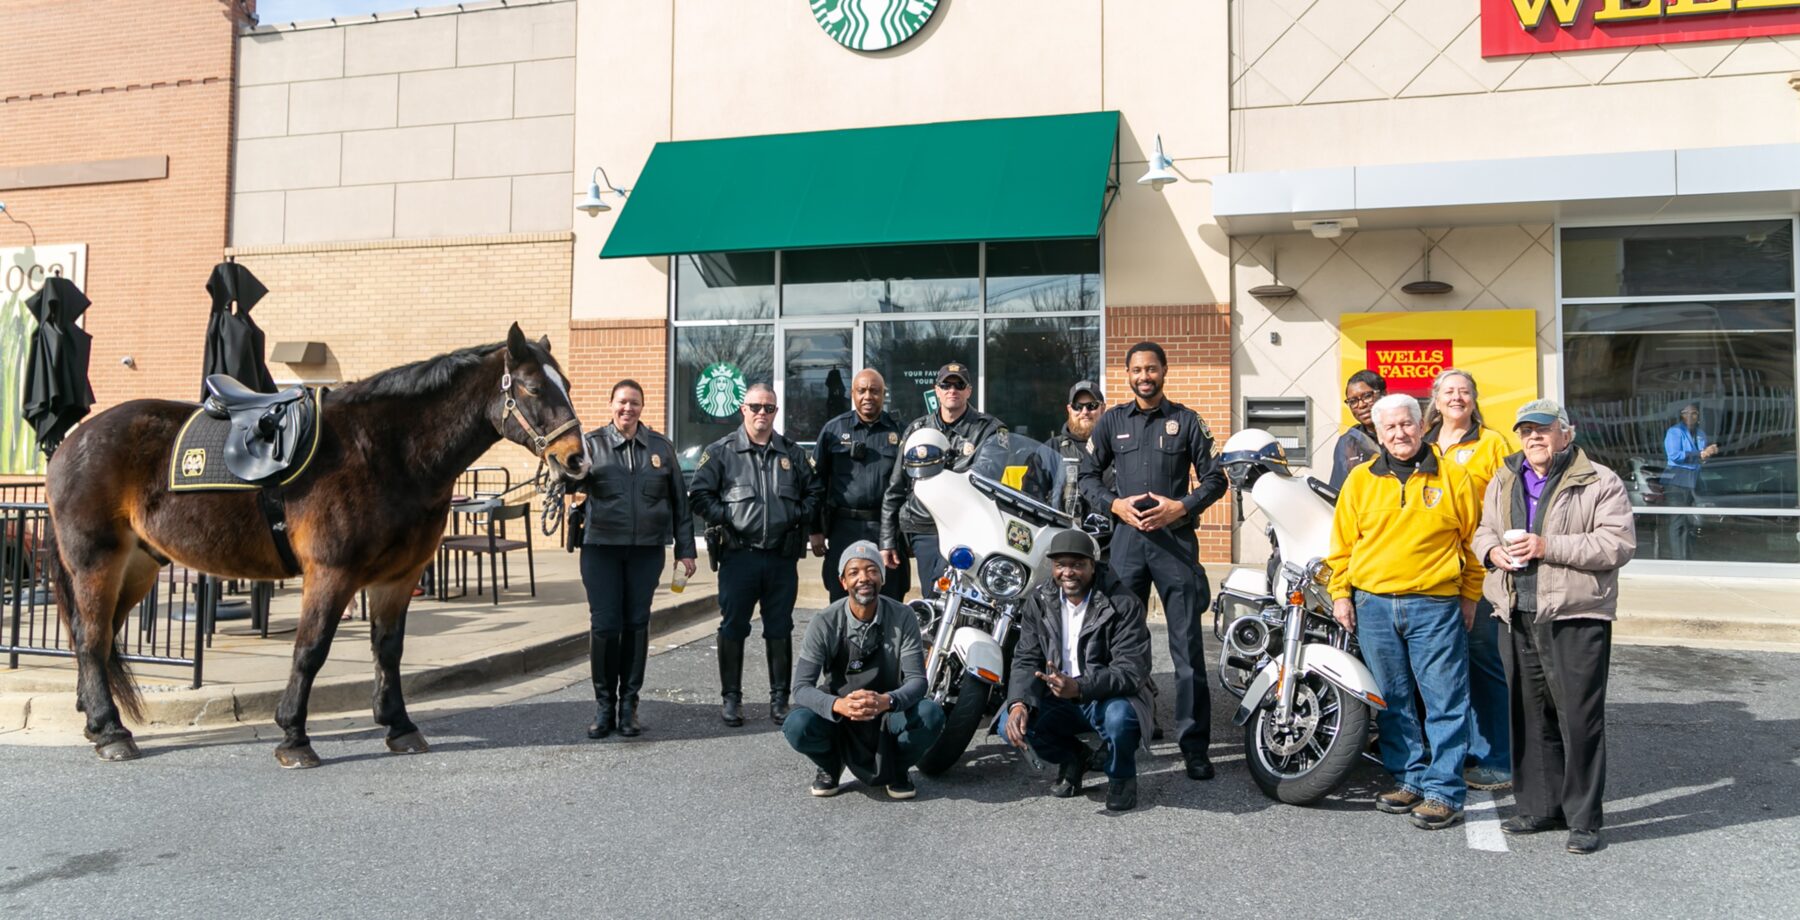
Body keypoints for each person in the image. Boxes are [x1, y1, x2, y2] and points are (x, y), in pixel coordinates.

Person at [1472, 399, 1635, 855]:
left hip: (1574, 615)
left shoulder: (1599, 480)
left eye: (1543, 430)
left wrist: (1547, 546)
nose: (1533, 438)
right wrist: (1491, 554)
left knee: (1579, 720)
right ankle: (1539, 807)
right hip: (1515, 612)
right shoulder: (1505, 478)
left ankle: (1583, 820)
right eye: (1526, 431)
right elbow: (1483, 531)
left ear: (1567, 433)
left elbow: (1616, 544)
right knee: (1528, 716)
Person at [1326, 393, 1484, 831]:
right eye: (1389, 427)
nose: (1399, 433)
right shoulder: (1359, 480)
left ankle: (1443, 791)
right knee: (1394, 701)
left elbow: (1473, 546)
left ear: (1421, 425)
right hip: (1373, 605)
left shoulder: (1455, 478)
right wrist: (1341, 594)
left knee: (1444, 700)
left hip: (1434, 604)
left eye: (1406, 424)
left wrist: (1469, 597)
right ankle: (1410, 778)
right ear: (1377, 434)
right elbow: (1341, 547)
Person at [1079, 341, 1228, 781]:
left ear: (1164, 371)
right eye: (1137, 370)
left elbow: (1217, 477)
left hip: (1175, 545)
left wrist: (1181, 507)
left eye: (1152, 369)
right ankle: (1119, 734)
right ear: (1127, 375)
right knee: (1115, 644)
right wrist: (1114, 505)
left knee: (1186, 650)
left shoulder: (1187, 421)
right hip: (1126, 544)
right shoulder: (1110, 422)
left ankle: (1194, 747)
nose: (1145, 376)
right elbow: (1086, 475)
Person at [688, 382, 823, 727]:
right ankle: (731, 700)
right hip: (739, 556)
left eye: (769, 408)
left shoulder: (792, 454)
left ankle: (780, 700)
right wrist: (727, 517)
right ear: (742, 409)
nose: (762, 413)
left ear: (776, 412)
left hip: (780, 557)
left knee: (780, 627)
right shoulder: (721, 451)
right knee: (733, 627)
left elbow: (815, 493)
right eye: (756, 407)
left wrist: (796, 516)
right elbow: (700, 495)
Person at [576, 380, 697, 739]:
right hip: (601, 549)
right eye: (621, 402)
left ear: (642, 407)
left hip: (646, 551)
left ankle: (629, 705)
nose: (627, 409)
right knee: (605, 626)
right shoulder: (591, 445)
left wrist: (686, 548)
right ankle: (603, 706)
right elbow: (567, 483)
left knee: (635, 625)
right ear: (611, 405)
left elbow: (679, 501)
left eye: (634, 403)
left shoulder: (660, 447)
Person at [999, 530, 1153, 812]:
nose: (1068, 572)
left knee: (1121, 720)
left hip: (1106, 696)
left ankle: (1121, 776)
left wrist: (1080, 687)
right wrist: (1019, 703)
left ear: (1093, 565)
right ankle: (1073, 757)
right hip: (1058, 697)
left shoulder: (1124, 603)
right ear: (1052, 567)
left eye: (1077, 564)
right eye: (1060, 565)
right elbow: (1026, 657)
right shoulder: (1039, 600)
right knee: (1009, 723)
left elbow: (1132, 670)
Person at [783, 541, 945, 800]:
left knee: (931, 715)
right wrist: (838, 705)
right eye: (854, 572)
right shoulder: (824, 621)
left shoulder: (903, 616)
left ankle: (899, 769)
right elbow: (801, 688)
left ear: (882, 576)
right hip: (840, 710)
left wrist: (887, 701)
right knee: (797, 725)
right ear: (843, 582)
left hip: (887, 709)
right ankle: (829, 765)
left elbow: (917, 681)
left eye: (871, 570)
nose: (863, 578)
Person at [1422, 368, 1515, 792]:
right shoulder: (1422, 442)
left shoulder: (1491, 443)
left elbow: (1509, 499)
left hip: (1477, 566)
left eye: (1464, 392)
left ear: (1475, 400)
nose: (1457, 398)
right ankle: (1447, 751)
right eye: (1449, 392)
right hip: (1428, 569)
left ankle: (1496, 757)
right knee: (1439, 668)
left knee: (1483, 663)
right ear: (1436, 400)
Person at [881, 362, 1006, 597]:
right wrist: (887, 540)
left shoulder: (990, 429)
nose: (952, 390)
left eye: (959, 385)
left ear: (969, 391)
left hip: (968, 527)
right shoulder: (917, 430)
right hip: (925, 527)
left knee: (970, 597)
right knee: (934, 595)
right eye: (945, 385)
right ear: (936, 390)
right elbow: (896, 487)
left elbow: (985, 480)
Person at [810, 369, 909, 603]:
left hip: (886, 529)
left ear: (884, 394)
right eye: (862, 390)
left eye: (874, 391)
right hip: (844, 527)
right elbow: (816, 483)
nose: (868, 396)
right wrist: (814, 530)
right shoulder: (833, 430)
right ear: (853, 393)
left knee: (890, 596)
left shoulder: (900, 431)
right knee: (842, 596)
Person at [1660, 403, 1716, 561]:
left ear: (1699, 416)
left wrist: (1707, 454)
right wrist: (1700, 453)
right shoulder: (1675, 431)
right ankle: (1677, 559)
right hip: (1677, 479)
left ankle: (1687, 558)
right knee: (1677, 521)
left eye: (1694, 413)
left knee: (1689, 522)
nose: (1690, 416)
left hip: (1694, 479)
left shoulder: (1701, 433)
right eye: (1686, 413)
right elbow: (1675, 455)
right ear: (1680, 415)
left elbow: (1701, 457)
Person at [1329, 370, 1386, 490]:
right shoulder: (1348, 442)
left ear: (1384, 394)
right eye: (1353, 401)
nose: (1361, 405)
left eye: (1367, 396)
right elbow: (1339, 490)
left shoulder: (1402, 434)